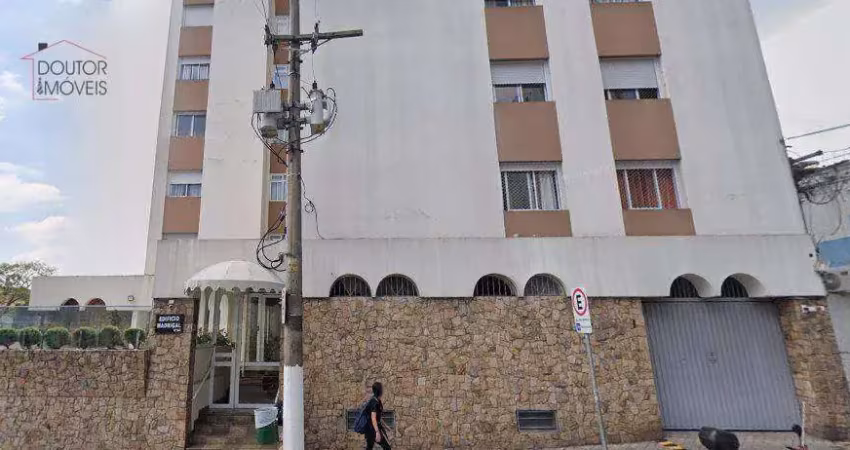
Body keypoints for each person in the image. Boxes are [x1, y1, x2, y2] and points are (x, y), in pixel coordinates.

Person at [364, 382, 391, 450]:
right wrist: (377, 432)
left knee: (369, 447)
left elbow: (378, 417)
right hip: (372, 429)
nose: (383, 390)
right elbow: (373, 418)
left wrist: (386, 426)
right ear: (379, 390)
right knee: (387, 447)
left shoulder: (377, 400)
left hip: (371, 428)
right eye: (382, 388)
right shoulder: (374, 402)